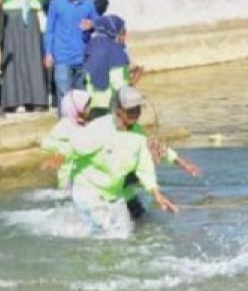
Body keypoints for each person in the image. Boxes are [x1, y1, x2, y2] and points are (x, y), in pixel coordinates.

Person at [59, 86, 188, 238]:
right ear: (119, 110)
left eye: (138, 109)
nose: (136, 113)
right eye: (131, 110)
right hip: (88, 190)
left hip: (114, 192)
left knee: (125, 234)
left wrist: (157, 193)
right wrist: (59, 160)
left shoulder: (139, 135)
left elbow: (145, 167)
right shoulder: (100, 128)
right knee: (106, 231)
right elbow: (74, 146)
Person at [0, 0, 50, 112]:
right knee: (15, 57)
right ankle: (15, 100)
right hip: (13, 14)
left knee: (33, 56)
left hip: (32, 14)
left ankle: (36, 99)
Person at [44, 0, 98, 104]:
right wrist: (48, 53)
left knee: (82, 100)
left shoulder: (89, 4)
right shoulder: (56, 4)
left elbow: (99, 24)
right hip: (62, 58)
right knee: (65, 99)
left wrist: (92, 24)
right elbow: (49, 31)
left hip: (82, 58)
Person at [83, 15, 143, 119]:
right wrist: (134, 81)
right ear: (115, 32)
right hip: (111, 107)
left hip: (92, 105)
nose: (124, 37)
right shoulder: (117, 51)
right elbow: (120, 87)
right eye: (122, 33)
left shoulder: (89, 47)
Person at [41, 89, 92, 194]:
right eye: (86, 107)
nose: (89, 109)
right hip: (68, 180)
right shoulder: (65, 126)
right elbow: (45, 143)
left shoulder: (84, 125)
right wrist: (65, 148)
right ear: (75, 108)